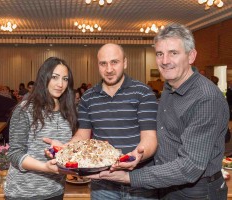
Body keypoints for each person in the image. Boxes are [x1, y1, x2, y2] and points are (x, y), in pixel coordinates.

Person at [89, 23, 229, 200]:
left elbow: (189, 167)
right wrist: (137, 155)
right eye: (160, 54)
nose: (165, 61)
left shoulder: (206, 98)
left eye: (173, 53)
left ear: (191, 56)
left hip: (196, 192)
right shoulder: (170, 87)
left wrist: (130, 178)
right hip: (165, 185)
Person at [45, 43, 158, 200]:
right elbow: (82, 136)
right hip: (103, 182)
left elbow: (150, 138)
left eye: (114, 62)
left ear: (125, 62)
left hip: (139, 180)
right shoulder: (88, 97)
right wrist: (66, 149)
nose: (109, 69)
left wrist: (138, 155)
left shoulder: (143, 93)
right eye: (103, 63)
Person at [5, 57, 77, 200]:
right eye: (55, 77)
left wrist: (63, 150)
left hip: (55, 190)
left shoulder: (67, 111)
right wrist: (45, 167)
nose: (60, 84)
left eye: (65, 79)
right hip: (23, 192)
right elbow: (14, 154)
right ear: (44, 78)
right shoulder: (25, 109)